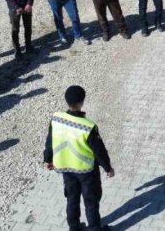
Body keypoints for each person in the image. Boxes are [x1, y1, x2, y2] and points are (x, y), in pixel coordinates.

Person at [44, 85, 114, 231]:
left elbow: (49, 141)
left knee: (71, 199)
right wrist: (108, 168)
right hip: (86, 171)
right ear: (82, 102)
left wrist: (48, 159)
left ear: (66, 101)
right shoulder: (88, 126)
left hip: (65, 168)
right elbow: (99, 151)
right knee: (91, 201)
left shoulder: (56, 119)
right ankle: (94, 228)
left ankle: (74, 227)